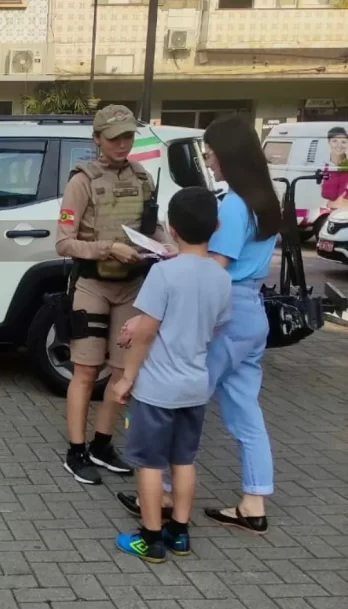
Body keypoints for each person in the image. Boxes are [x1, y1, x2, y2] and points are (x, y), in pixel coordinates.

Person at [117, 114, 282, 535]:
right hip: (252, 315)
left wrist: (174, 258)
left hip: (226, 312)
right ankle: (254, 499)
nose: (206, 158)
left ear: (228, 153)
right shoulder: (266, 197)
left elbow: (218, 264)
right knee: (247, 411)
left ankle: (164, 494)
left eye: (209, 151)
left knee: (180, 401)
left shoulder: (234, 203)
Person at [110, 187, 231, 563]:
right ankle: (179, 532)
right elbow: (214, 328)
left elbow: (146, 332)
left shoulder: (163, 273)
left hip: (158, 388)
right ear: (216, 226)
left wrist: (126, 377)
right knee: (184, 460)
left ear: (171, 228)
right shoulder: (221, 277)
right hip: (195, 386)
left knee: (149, 463)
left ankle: (150, 538)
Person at [56, 104, 173, 486]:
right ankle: (76, 450)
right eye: (114, 138)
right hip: (92, 284)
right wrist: (108, 248)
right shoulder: (81, 181)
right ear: (97, 140)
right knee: (87, 370)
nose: (123, 144)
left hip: (133, 286)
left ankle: (103, 445)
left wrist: (168, 247)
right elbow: (64, 243)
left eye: (128, 137)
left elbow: (151, 227)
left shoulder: (142, 178)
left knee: (123, 372)